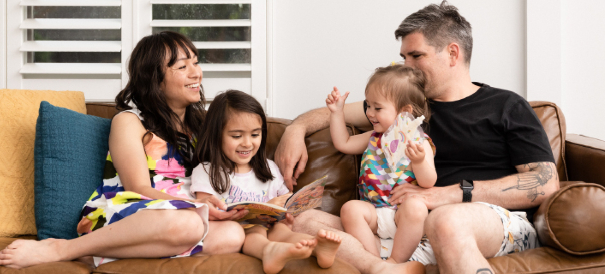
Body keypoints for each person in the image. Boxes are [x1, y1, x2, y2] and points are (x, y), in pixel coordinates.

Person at [275, 1, 559, 274]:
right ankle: (382, 267)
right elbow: (331, 114)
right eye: (404, 57)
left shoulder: (506, 106)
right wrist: (295, 129)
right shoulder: (403, 106)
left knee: (445, 220)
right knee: (305, 221)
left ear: (452, 53)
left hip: (486, 220)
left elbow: (546, 183)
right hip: (408, 224)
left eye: (416, 56)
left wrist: (449, 194)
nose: (407, 67)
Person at [0, 31, 247, 269]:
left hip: (185, 214)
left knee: (233, 236)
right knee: (190, 224)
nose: (196, 74)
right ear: (155, 80)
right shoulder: (129, 121)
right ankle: (65, 248)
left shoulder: (203, 126)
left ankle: (98, 255)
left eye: (196, 62)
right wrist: (195, 205)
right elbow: (139, 188)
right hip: (133, 210)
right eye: (182, 67)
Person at [191, 90, 342, 274]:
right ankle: (268, 251)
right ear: (217, 135)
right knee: (255, 230)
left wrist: (288, 208)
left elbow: (285, 198)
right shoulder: (206, 171)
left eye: (255, 135)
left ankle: (318, 249)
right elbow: (207, 211)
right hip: (236, 231)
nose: (247, 143)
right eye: (237, 136)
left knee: (283, 231)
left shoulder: (269, 168)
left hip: (272, 226)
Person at [327, 65, 436, 265]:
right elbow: (343, 143)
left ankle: (395, 261)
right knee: (350, 209)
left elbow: (429, 182)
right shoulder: (373, 137)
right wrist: (337, 113)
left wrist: (419, 161)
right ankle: (373, 261)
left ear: (404, 112)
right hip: (374, 213)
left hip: (402, 214)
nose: (369, 113)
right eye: (368, 105)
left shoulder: (419, 142)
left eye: (377, 108)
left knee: (417, 209)